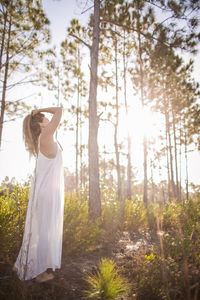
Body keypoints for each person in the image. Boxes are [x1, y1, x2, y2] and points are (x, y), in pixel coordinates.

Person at [13, 107, 64, 282]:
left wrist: (37, 114)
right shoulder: (45, 136)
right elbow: (59, 110)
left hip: (46, 193)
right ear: (41, 124)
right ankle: (39, 273)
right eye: (45, 118)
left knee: (42, 231)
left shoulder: (41, 140)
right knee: (44, 232)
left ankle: (30, 264)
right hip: (48, 194)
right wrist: (39, 110)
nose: (49, 120)